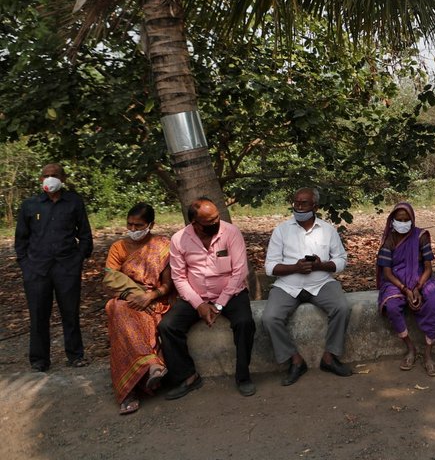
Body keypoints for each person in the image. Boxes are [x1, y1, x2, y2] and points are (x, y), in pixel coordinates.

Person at [159, 198, 256, 398]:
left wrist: (219, 305)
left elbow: (239, 272)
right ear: (194, 223)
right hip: (196, 295)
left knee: (245, 323)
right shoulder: (179, 239)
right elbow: (178, 277)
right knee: (167, 326)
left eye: (217, 218)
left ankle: (243, 376)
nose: (216, 223)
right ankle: (188, 376)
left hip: (232, 292)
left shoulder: (231, 232)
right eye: (209, 221)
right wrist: (199, 304)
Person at [262, 187, 353, 386]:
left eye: (304, 203)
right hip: (288, 285)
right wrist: (295, 267)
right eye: (296, 203)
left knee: (342, 308)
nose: (299, 207)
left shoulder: (328, 230)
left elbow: (341, 261)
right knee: (270, 318)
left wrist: (321, 265)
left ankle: (330, 357)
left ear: (315, 206)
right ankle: (295, 360)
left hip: (321, 283)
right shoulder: (282, 230)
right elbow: (270, 267)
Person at [14, 163, 93, 371]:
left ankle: (75, 355)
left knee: (70, 312)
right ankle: (39, 360)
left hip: (66, 267)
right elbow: (21, 239)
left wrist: (78, 259)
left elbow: (84, 234)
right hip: (37, 269)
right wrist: (25, 264)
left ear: (63, 178)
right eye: (46, 175)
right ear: (41, 180)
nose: (50, 178)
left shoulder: (74, 202)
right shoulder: (30, 205)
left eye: (54, 175)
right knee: (38, 314)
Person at [103, 203, 172, 415]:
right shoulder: (119, 248)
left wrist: (150, 296)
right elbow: (111, 279)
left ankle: (139, 380)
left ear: (151, 224)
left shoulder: (163, 246)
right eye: (129, 225)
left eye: (138, 225)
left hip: (156, 299)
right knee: (119, 310)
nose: (133, 229)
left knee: (133, 318)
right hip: (127, 298)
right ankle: (147, 371)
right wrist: (133, 295)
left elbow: (168, 285)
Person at [377, 202, 435, 377]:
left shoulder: (421, 236)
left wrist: (417, 286)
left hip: (420, 277)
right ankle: (410, 348)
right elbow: (387, 271)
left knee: (433, 300)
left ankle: (428, 353)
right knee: (392, 306)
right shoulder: (389, 240)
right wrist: (405, 289)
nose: (403, 222)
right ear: (392, 220)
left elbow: (429, 267)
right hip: (396, 281)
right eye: (399, 219)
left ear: (412, 219)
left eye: (406, 219)